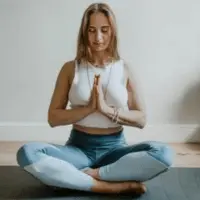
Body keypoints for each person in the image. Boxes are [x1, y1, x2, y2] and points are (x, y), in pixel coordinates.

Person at [16, 2, 174, 195]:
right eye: (92, 30)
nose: (98, 38)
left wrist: (105, 109)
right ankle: (109, 185)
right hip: (78, 150)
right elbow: (53, 118)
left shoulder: (124, 68)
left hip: (115, 151)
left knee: (163, 154)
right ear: (84, 33)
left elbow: (141, 119)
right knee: (27, 153)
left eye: (104, 30)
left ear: (112, 32)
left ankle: (86, 176)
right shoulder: (70, 68)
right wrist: (89, 108)